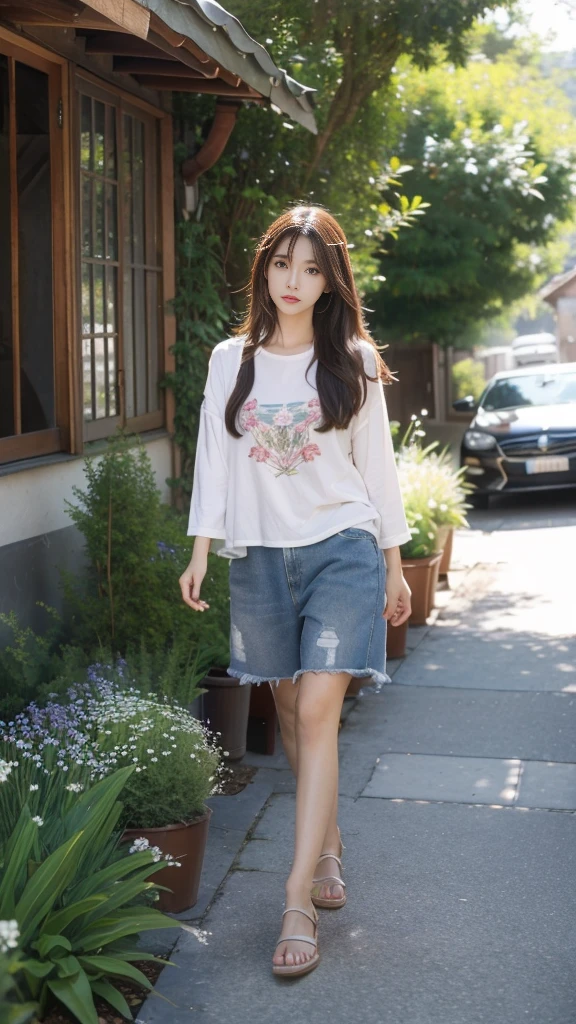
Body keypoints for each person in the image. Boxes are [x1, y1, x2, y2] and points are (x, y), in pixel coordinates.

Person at [179, 205, 412, 978]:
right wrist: (201, 551)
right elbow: (214, 459)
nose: (295, 281)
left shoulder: (352, 359)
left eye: (312, 268)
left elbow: (377, 470)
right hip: (260, 559)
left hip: (341, 547)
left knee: (317, 709)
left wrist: (392, 563)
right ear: (265, 268)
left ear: (331, 278)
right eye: (283, 264)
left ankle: (296, 898)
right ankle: (331, 848)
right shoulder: (229, 360)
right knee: (286, 711)